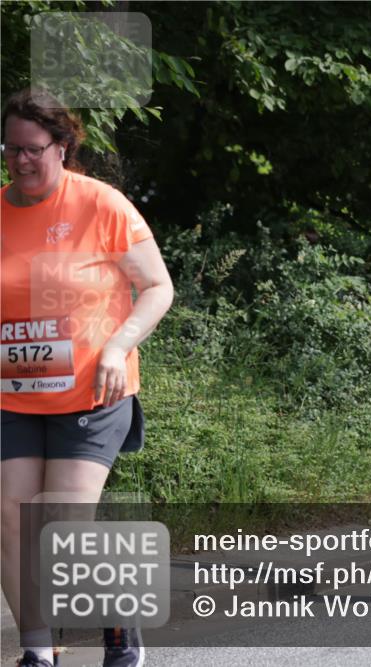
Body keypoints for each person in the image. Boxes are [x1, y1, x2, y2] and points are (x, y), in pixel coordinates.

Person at [1, 89, 173, 667]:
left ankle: (120, 623)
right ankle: (38, 652)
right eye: (10, 149)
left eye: (33, 150)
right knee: (10, 517)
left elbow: (157, 287)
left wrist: (118, 346)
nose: (21, 161)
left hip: (92, 392)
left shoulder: (102, 204)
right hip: (14, 395)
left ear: (63, 146)